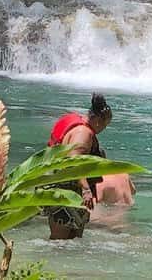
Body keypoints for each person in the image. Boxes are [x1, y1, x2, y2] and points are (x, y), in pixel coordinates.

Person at [45, 93, 112, 239]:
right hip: (67, 193)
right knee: (60, 240)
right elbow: (74, 161)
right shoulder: (84, 133)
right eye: (106, 125)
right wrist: (86, 189)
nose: (104, 129)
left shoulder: (80, 125)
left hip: (68, 192)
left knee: (71, 241)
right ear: (99, 120)